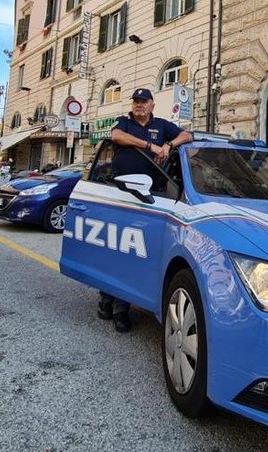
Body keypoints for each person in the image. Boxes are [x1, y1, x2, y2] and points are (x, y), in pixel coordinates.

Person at [98, 87, 192, 332]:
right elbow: (117, 137)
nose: (138, 105)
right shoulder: (124, 122)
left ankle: (119, 303)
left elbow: (188, 136)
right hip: (120, 193)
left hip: (149, 197)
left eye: (143, 102)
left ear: (152, 104)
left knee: (133, 252)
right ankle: (108, 299)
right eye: (136, 101)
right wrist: (151, 146)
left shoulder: (161, 125)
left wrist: (169, 145)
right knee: (114, 248)